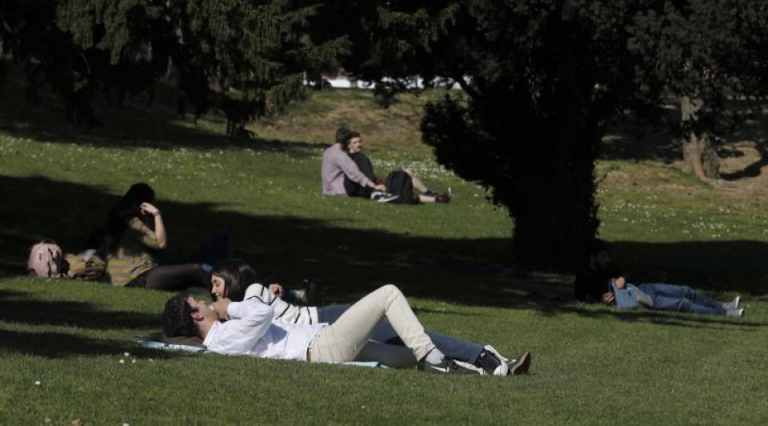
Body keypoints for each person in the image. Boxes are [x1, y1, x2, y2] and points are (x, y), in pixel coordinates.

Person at [208, 259, 530, 375]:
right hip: (324, 331)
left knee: (414, 336)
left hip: (328, 320)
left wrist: (230, 307)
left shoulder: (251, 293)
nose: (213, 291)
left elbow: (271, 312)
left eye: (217, 283)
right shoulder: (247, 306)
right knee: (408, 343)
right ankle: (483, 364)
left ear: (233, 280)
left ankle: (483, 355)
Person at [101, 183, 210, 290]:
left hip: (127, 278)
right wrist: (156, 214)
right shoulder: (132, 222)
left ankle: (214, 289)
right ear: (144, 204)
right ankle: (219, 287)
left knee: (191, 283)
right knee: (196, 269)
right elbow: (160, 243)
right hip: (135, 278)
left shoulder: (119, 219)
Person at [341, 130, 451, 204]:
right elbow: (366, 179)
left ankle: (435, 197)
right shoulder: (359, 158)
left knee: (405, 177)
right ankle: (435, 197)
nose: (359, 144)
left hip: (369, 187)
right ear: (349, 145)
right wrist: (377, 186)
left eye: (360, 141)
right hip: (370, 189)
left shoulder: (349, 157)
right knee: (405, 177)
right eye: (355, 143)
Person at [607, 276, 743, 317]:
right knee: (684, 304)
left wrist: (622, 277)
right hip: (642, 299)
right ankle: (726, 313)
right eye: (603, 256)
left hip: (642, 288)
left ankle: (722, 306)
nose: (607, 259)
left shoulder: (608, 268)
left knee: (686, 291)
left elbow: (630, 273)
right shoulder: (596, 283)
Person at [321, 128, 393, 201]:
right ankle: (375, 192)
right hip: (339, 190)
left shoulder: (327, 152)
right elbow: (354, 174)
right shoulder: (341, 155)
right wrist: (374, 186)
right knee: (361, 158)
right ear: (348, 142)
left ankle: (376, 186)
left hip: (328, 189)